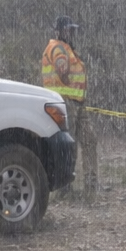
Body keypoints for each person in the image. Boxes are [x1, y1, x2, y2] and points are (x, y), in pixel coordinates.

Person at [41, 14, 98, 197]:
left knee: (89, 140)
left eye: (72, 29)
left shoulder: (66, 47)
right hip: (65, 104)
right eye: (68, 29)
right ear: (59, 31)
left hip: (78, 103)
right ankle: (64, 188)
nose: (71, 32)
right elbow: (62, 70)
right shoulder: (57, 48)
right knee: (69, 146)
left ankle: (91, 185)